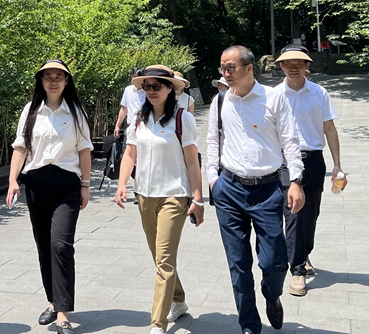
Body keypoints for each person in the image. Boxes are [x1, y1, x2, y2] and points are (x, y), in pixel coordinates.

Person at [206, 45, 305, 334]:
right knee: (238, 264)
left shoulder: (274, 98)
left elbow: (290, 141)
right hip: (229, 190)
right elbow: (212, 140)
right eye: (223, 68)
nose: (226, 73)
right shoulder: (220, 100)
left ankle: (272, 294)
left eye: (231, 68)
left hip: (268, 189)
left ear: (250, 68)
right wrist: (213, 178)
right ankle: (249, 325)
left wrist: (296, 181)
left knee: (275, 262)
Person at [115, 65, 205, 334]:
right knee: (159, 256)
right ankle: (178, 300)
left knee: (164, 260)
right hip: (144, 195)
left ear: (170, 89)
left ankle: (158, 322)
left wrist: (198, 199)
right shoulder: (138, 119)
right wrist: (121, 184)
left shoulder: (182, 119)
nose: (151, 91)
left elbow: (192, 162)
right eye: (147, 86)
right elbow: (130, 153)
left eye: (157, 86)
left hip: (174, 196)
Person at [6, 59, 93, 334]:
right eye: (48, 77)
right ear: (41, 82)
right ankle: (53, 302)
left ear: (67, 81)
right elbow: (21, 147)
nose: (53, 81)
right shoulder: (31, 110)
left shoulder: (76, 112)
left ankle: (63, 313)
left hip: (67, 184)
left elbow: (84, 150)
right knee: (44, 245)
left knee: (61, 245)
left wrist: (85, 185)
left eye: (59, 76)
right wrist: (12, 181)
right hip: (36, 182)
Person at [274, 45, 347, 297]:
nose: (293, 67)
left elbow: (329, 129)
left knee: (310, 214)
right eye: (288, 63)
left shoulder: (319, 93)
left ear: (307, 66)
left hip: (313, 159)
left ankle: (304, 254)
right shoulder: (274, 95)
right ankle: (297, 271)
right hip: (285, 161)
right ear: (281, 66)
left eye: (299, 63)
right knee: (293, 213)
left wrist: (337, 165)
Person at [113, 67, 146, 137]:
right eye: (133, 77)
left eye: (136, 77)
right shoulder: (128, 90)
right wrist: (117, 126)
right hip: (130, 126)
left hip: (145, 126)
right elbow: (124, 109)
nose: (134, 80)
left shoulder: (148, 91)